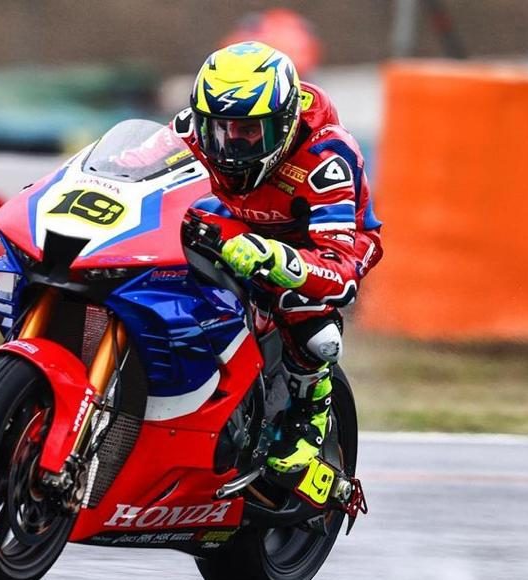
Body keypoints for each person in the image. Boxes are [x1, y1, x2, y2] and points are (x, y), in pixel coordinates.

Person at [172, 41, 384, 474]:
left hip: (323, 243)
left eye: (250, 132)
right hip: (235, 220)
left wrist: (274, 257)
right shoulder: (188, 130)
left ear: (284, 123)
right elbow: (133, 169)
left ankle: (310, 413)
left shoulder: (326, 158)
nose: (231, 145)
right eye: (221, 129)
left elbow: (341, 270)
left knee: (301, 306)